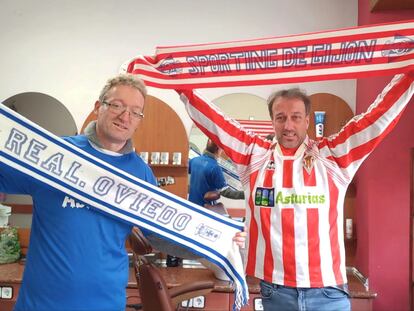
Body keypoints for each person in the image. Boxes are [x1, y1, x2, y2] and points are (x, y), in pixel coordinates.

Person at [178, 72, 414, 311]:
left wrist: (408, 76)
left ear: (308, 121)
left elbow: (374, 121)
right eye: (280, 118)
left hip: (328, 294)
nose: (288, 125)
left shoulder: (332, 157)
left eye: (295, 117)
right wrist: (182, 87)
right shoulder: (255, 156)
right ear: (272, 121)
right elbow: (218, 123)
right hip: (276, 293)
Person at [0, 74, 157, 311]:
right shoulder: (54, 155)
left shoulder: (141, 175)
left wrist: (224, 240)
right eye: (117, 105)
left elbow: (164, 233)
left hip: (105, 305)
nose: (125, 116)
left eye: (135, 112)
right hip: (40, 306)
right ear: (98, 107)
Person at [189, 139, 244, 207]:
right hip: (205, 207)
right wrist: (245, 195)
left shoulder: (194, 160)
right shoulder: (215, 167)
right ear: (218, 149)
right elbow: (226, 192)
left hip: (191, 205)